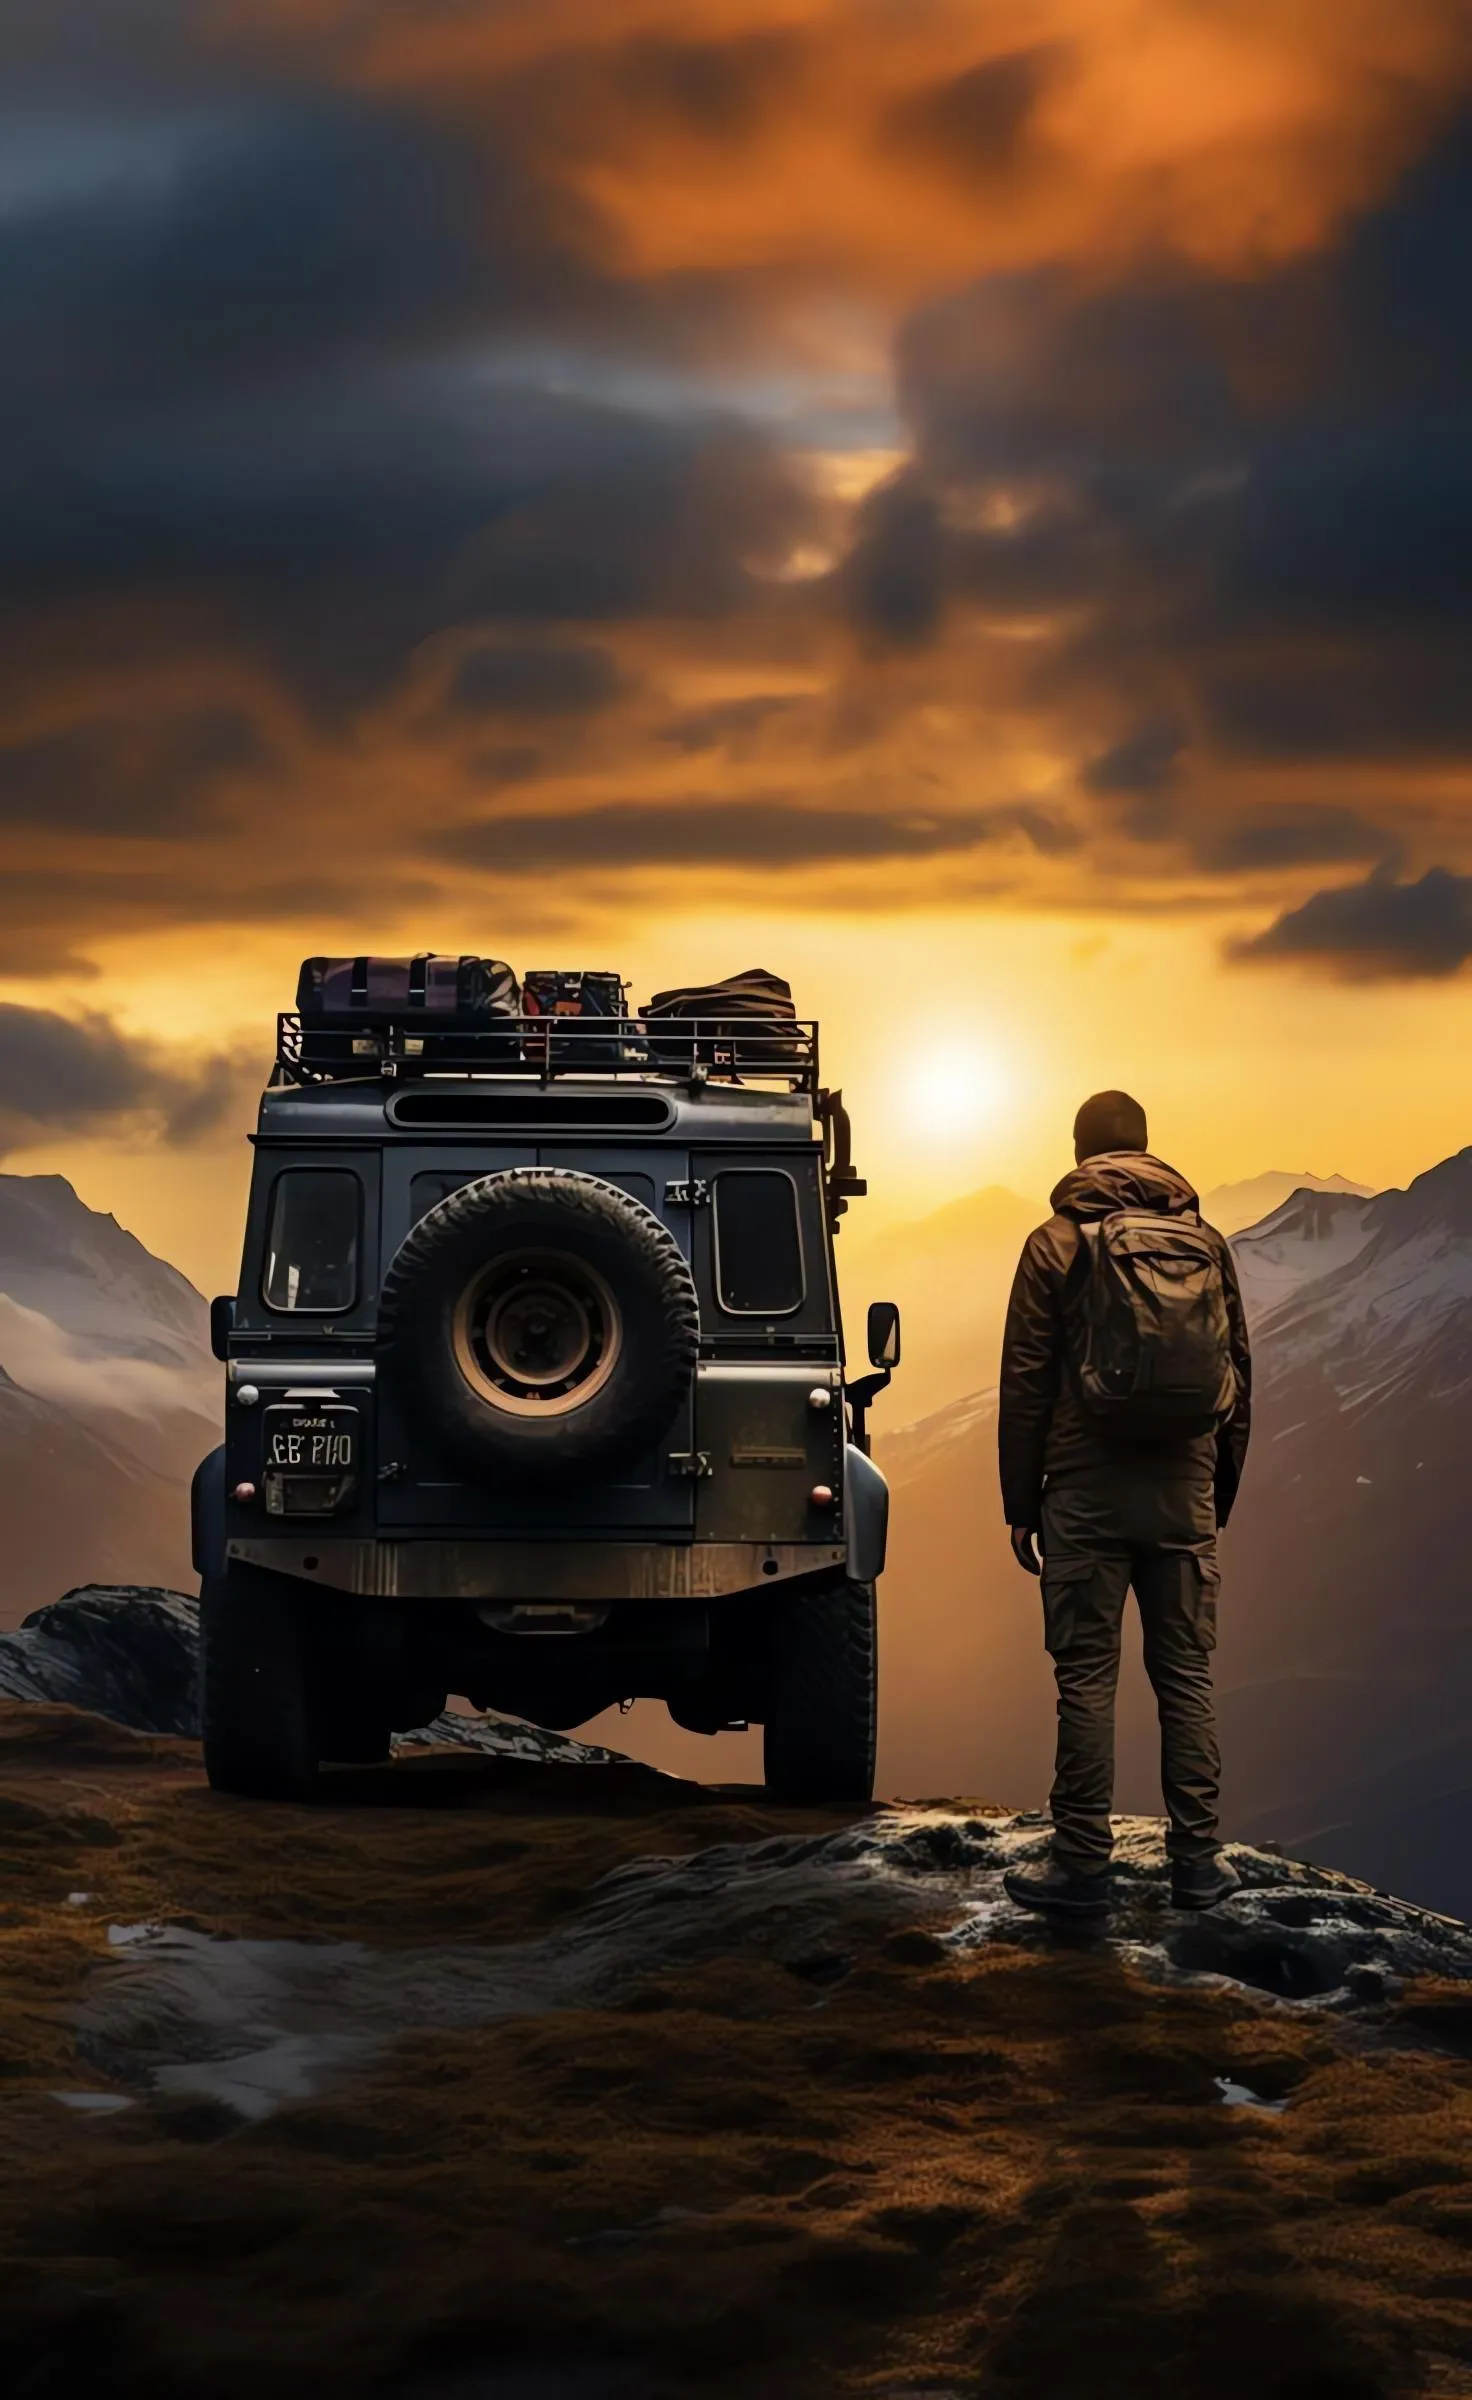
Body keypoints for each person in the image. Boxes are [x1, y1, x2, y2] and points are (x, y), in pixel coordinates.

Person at [997, 1090, 1251, 1918]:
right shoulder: (1205, 1242)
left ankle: (1081, 1867)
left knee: (1087, 1678)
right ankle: (1198, 1867)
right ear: (1146, 1147)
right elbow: (1239, 1376)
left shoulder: (1054, 1243)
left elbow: (1026, 1381)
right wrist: (1215, 1493)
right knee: (1187, 1676)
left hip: (1085, 1494)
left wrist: (1021, 1502)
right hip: (1185, 1492)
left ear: (1081, 1154)